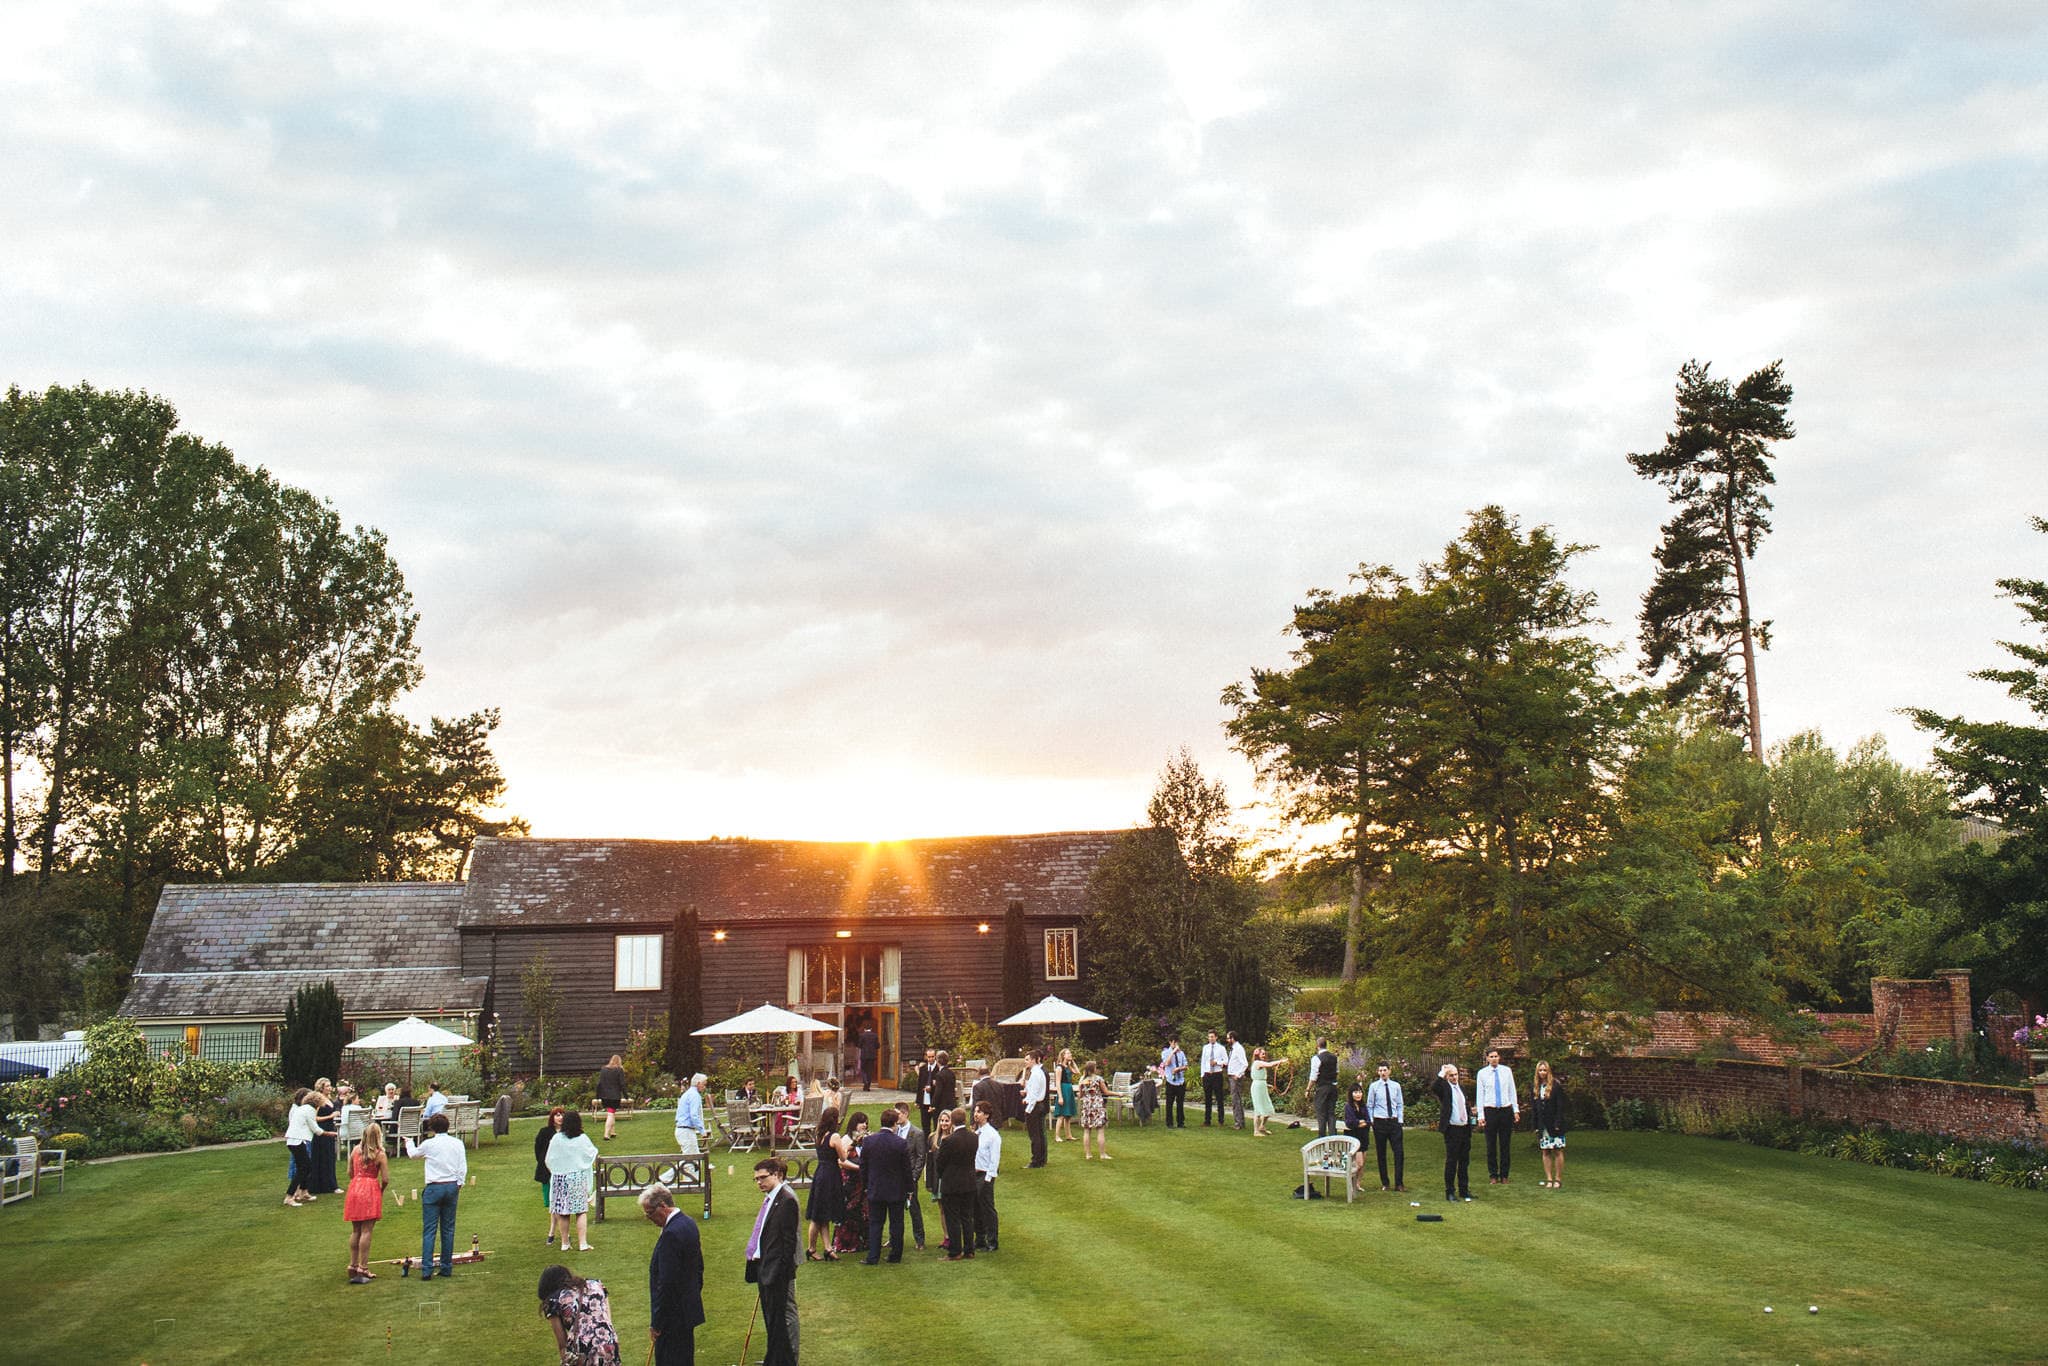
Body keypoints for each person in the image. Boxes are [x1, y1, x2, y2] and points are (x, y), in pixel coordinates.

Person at [744, 1156, 802, 1366]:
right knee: (773, 1319)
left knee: (784, 1315)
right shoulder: (771, 1197)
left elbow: (788, 1242)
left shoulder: (787, 1200)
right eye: (756, 1179)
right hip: (765, 1266)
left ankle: (788, 1359)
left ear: (777, 1175)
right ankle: (775, 1358)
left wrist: (780, 1272)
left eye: (763, 1177)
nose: (759, 1182)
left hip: (778, 1271)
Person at [639, 1182, 704, 1366]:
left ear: (663, 1206)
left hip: (671, 1317)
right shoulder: (689, 1223)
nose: (648, 1218)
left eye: (649, 1212)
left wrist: (657, 1323)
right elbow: (699, 1268)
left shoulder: (671, 1234)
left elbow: (666, 1283)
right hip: (686, 1311)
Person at [405, 1111, 468, 1278]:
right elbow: (462, 1166)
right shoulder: (457, 1143)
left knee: (429, 1230)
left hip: (434, 1187)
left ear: (432, 1128)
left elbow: (413, 1155)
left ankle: (427, 1270)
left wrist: (409, 1142)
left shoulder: (429, 1144)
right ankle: (446, 1268)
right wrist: (459, 1183)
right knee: (448, 1229)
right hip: (451, 1186)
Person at [539, 1263, 622, 1365]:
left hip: (582, 1350)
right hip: (609, 1343)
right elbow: (607, 1320)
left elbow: (562, 1344)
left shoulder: (554, 1300)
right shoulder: (597, 1284)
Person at [861, 1106, 913, 1264]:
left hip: (876, 1188)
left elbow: (864, 1166)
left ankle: (873, 1256)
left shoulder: (869, 1141)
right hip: (896, 1190)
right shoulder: (900, 1143)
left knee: (876, 1223)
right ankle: (895, 1255)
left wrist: (865, 1185)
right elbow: (907, 1169)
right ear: (895, 1124)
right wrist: (910, 1189)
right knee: (896, 1223)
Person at [548, 1109, 601, 1252]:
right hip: (577, 1178)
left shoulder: (557, 1138)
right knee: (580, 1211)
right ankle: (582, 1243)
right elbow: (592, 1153)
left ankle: (565, 1243)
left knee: (563, 1213)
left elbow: (550, 1159)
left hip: (560, 1178)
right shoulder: (582, 1138)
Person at [343, 1121, 390, 1284]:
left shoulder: (355, 1150)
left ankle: (352, 1264)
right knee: (367, 1230)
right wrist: (380, 1190)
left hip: (355, 1187)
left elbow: (350, 1171)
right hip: (370, 1188)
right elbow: (385, 1179)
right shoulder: (380, 1154)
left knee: (355, 1230)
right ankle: (363, 1267)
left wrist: (357, 1182)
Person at [803, 1105, 846, 1262]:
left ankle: (828, 1248)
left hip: (820, 1172)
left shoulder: (818, 1134)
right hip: (830, 1174)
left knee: (823, 1214)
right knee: (818, 1216)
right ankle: (811, 1248)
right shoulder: (834, 1137)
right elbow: (843, 1158)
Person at [935, 1107, 978, 1260]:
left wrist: (942, 1175)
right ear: (965, 1120)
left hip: (952, 1184)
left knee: (952, 1218)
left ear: (952, 1121)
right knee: (967, 1217)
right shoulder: (974, 1137)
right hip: (969, 1182)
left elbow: (940, 1163)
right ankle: (969, 1250)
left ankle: (955, 1251)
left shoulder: (949, 1141)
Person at [1431, 1064, 1476, 1203]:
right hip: (1452, 1129)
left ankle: (1464, 1189)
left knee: (1464, 1161)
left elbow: (1464, 1106)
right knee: (1452, 1161)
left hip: (1464, 1128)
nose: (1455, 1077)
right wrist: (1442, 1073)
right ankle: (1450, 1192)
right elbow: (1434, 1087)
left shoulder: (1461, 1088)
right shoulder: (1444, 1088)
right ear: (1447, 1077)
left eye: (1456, 1074)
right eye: (1451, 1075)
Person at [1476, 1049, 1520, 1185]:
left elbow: (1512, 1091)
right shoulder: (1482, 1074)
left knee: (1505, 1144)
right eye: (1491, 1057)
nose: (1494, 1059)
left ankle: (1504, 1175)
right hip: (1490, 1110)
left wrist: (1515, 1110)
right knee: (1491, 1145)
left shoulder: (1506, 1071)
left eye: (1496, 1056)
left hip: (1505, 1110)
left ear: (1499, 1057)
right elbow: (1480, 1095)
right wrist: (1481, 1115)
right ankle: (1493, 1175)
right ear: (1487, 1059)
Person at [831, 1112, 870, 1256]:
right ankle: (846, 1242)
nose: (864, 1125)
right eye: (861, 1122)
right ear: (854, 1123)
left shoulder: (865, 1140)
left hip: (862, 1183)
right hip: (849, 1181)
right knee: (848, 1211)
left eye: (866, 1122)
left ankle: (862, 1241)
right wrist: (858, 1168)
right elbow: (841, 1160)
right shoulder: (846, 1140)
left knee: (862, 1211)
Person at [1367, 1063, 1406, 1192]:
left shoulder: (1396, 1086)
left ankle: (1399, 1183)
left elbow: (1400, 1104)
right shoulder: (1374, 1087)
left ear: (1390, 1071)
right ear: (1378, 1072)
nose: (1383, 1072)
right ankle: (1385, 1182)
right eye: (1380, 1070)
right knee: (1381, 1153)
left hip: (1394, 1122)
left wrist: (1399, 1120)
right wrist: (1372, 1121)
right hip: (1380, 1122)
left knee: (1399, 1152)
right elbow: (1370, 1105)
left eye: (1385, 1070)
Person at [894, 1105, 928, 1251]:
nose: (896, 1118)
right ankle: (894, 1238)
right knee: (895, 1210)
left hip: (909, 1178)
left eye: (898, 1114)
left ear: (905, 1113)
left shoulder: (917, 1133)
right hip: (895, 1177)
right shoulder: (894, 1131)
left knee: (914, 1208)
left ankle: (920, 1239)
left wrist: (914, 1177)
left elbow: (921, 1157)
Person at [1530, 1060, 1568, 1189]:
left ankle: (1558, 1179)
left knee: (1557, 1150)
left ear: (1548, 1071)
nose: (1542, 1072)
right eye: (1540, 1070)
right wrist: (1535, 1126)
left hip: (1555, 1124)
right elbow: (1534, 1108)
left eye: (1544, 1070)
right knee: (1545, 1151)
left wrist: (1557, 1122)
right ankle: (1549, 1179)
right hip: (1543, 1125)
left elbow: (1560, 1106)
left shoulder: (1556, 1086)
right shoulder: (1535, 1087)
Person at [971, 1099, 1001, 1252]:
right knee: (975, 1208)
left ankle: (992, 1240)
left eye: (979, 1112)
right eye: (975, 1111)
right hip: (974, 1174)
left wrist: (988, 1179)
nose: (976, 1114)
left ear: (987, 1115)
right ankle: (980, 1238)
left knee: (987, 1208)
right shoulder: (976, 1133)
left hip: (985, 1175)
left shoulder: (992, 1135)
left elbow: (994, 1159)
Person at [534, 1106, 568, 1241]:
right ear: (552, 1118)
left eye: (562, 1115)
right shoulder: (545, 1132)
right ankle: (554, 1232)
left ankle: (555, 1233)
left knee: (560, 1203)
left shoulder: (568, 1133)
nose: (560, 1117)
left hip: (563, 1171)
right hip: (547, 1172)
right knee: (552, 1203)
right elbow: (538, 1151)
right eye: (557, 1115)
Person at [284, 1087, 319, 1207]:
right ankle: (291, 1195)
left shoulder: (302, 1109)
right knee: (302, 1168)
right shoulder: (299, 1110)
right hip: (297, 1141)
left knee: (307, 1167)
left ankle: (303, 1191)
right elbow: (312, 1126)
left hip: (301, 1140)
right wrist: (326, 1133)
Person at [310, 1078, 341, 1196]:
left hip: (329, 1128)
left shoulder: (330, 1099)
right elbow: (314, 1117)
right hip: (321, 1130)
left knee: (330, 1156)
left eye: (330, 1085)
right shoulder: (318, 1099)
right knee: (321, 1156)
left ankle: (331, 1184)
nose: (329, 1088)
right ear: (321, 1087)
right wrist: (330, 1116)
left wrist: (335, 1114)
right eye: (327, 1086)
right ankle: (320, 1185)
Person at [1342, 1080, 1372, 1195]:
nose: (1358, 1094)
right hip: (1353, 1137)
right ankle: (1351, 1183)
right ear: (1351, 1094)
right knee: (1358, 1163)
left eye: (1359, 1092)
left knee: (1362, 1163)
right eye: (1355, 1092)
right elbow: (1350, 1122)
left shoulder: (1363, 1106)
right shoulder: (1348, 1106)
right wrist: (1360, 1122)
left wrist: (1362, 1122)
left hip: (1364, 1136)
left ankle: (1358, 1184)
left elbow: (1369, 1121)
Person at [1020, 1049, 1049, 1168]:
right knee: (1039, 1134)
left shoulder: (1037, 1073)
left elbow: (1035, 1093)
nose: (1025, 1062)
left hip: (1035, 1106)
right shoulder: (1036, 1072)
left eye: (1027, 1060)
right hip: (1037, 1104)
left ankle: (1036, 1160)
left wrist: (1028, 1106)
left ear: (1033, 1060)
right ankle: (1040, 1159)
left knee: (1035, 1135)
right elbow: (1032, 1089)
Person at [1077, 1059, 1111, 1160]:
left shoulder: (1082, 1080)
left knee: (1087, 1130)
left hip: (1087, 1105)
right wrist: (1119, 1094)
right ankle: (1102, 1154)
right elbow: (1106, 1092)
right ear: (1093, 1069)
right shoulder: (1098, 1079)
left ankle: (1088, 1154)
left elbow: (1080, 1095)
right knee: (1100, 1130)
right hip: (1097, 1105)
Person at [1309, 1038, 1339, 1138]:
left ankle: (1321, 1137)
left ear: (1317, 1046)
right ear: (1326, 1045)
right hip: (1333, 1086)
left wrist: (1308, 1089)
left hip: (1322, 1087)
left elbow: (1313, 1076)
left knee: (1321, 1113)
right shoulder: (1334, 1057)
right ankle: (1333, 1136)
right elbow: (1337, 1072)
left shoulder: (1316, 1058)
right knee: (1331, 1112)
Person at [1199, 1030, 1228, 1126]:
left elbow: (1226, 1061)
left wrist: (1217, 1062)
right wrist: (1202, 1075)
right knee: (1207, 1099)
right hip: (1207, 1074)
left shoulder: (1221, 1048)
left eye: (1212, 1037)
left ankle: (1221, 1120)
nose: (1210, 1038)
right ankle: (1207, 1120)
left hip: (1217, 1074)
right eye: (1209, 1037)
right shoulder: (1205, 1048)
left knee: (1219, 1098)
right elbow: (1203, 1061)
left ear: (1216, 1037)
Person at [674, 1073, 709, 1154]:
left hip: (682, 1129)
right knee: (689, 1160)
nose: (704, 1087)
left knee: (694, 1159)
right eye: (704, 1084)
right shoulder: (695, 1095)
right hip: (686, 1131)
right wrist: (702, 1130)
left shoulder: (687, 1094)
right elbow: (694, 1115)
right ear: (698, 1083)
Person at [1248, 1048, 1280, 1137]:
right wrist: (1281, 1061)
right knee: (1258, 1110)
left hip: (1261, 1086)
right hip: (1257, 1088)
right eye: (1262, 1054)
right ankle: (1256, 1131)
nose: (1264, 1055)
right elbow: (1270, 1064)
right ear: (1258, 1055)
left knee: (1268, 1108)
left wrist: (1268, 1085)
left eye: (1264, 1053)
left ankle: (1262, 1127)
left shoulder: (1260, 1063)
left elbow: (1260, 1077)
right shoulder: (1257, 1063)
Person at [1159, 1037, 1189, 1129]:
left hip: (1180, 1081)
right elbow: (1166, 1063)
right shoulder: (1165, 1053)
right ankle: (1169, 1123)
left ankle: (1180, 1122)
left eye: (1177, 1043)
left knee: (1180, 1103)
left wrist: (1179, 1069)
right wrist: (1172, 1052)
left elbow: (1186, 1066)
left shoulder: (1181, 1053)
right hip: (1170, 1081)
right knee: (1169, 1103)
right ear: (1170, 1042)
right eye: (1174, 1043)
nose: (1175, 1044)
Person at [597, 1054, 627, 1141]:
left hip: (604, 1096)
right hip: (614, 1096)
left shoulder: (603, 1069)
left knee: (611, 1113)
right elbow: (622, 1084)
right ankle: (606, 1134)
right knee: (610, 1114)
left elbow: (599, 1083)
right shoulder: (619, 1070)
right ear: (619, 1061)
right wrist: (626, 1095)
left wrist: (598, 1095)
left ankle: (613, 1132)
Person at [1052, 1047, 1078, 1143]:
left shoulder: (1068, 1067)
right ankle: (1057, 1136)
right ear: (1063, 1055)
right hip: (1063, 1090)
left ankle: (1068, 1135)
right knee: (1061, 1115)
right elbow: (1058, 1083)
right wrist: (1060, 1096)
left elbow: (1077, 1072)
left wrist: (1072, 1062)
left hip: (1069, 1089)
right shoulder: (1059, 1067)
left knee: (1068, 1115)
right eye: (1068, 1053)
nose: (1070, 1054)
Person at [1226, 1031, 1250, 1130]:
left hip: (1235, 1078)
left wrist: (1238, 1074)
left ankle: (1238, 1123)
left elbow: (1245, 1063)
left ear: (1232, 1038)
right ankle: (1240, 1122)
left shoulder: (1238, 1049)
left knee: (1236, 1100)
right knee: (1236, 1100)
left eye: (1228, 1038)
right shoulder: (1233, 1049)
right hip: (1232, 1076)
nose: (1227, 1040)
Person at [915, 1046, 939, 1135]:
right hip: (924, 1100)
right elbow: (919, 1085)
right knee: (925, 1124)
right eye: (929, 1057)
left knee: (936, 1122)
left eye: (932, 1057)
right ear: (926, 1057)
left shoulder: (938, 1069)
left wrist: (932, 1087)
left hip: (934, 1100)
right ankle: (926, 1143)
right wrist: (918, 1101)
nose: (930, 1059)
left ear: (935, 1056)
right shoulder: (923, 1069)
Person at [930, 1049, 957, 1124]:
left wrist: (932, 1105)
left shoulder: (939, 1075)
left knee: (940, 1124)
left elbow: (938, 1092)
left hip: (942, 1104)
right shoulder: (951, 1073)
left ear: (937, 1061)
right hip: (952, 1103)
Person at [857, 1021, 880, 1091]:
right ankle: (868, 1086)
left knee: (863, 1069)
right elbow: (878, 1046)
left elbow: (859, 1045)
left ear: (864, 1029)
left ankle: (865, 1081)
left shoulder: (862, 1035)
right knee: (870, 1070)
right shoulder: (875, 1035)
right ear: (871, 1028)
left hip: (864, 1055)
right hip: (872, 1056)